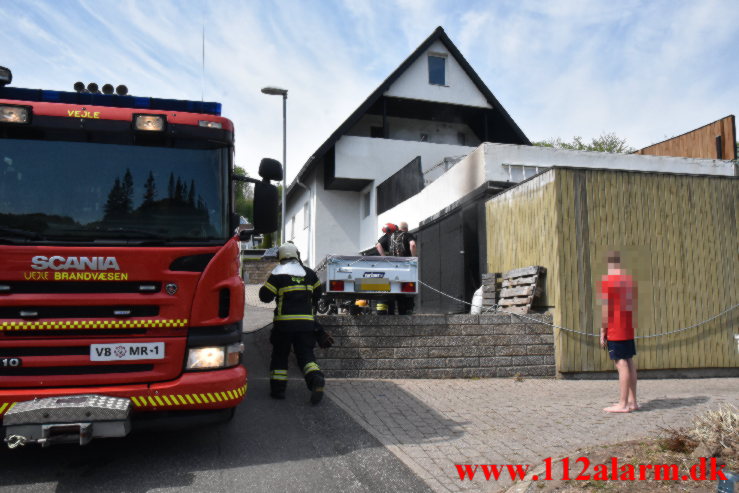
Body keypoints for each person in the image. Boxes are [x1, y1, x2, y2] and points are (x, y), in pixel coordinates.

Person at [259, 242, 325, 404]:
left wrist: (268, 283)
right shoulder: (309, 274)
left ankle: (278, 391)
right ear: (297, 255)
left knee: (280, 356)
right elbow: (318, 293)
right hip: (306, 325)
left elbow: (264, 297)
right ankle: (316, 379)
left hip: (284, 326)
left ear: (280, 257)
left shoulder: (278, 274)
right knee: (306, 356)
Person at [599, 251, 638, 413]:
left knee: (620, 364)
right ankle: (633, 402)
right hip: (628, 328)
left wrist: (602, 332)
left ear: (609, 265)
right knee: (629, 362)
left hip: (616, 329)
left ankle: (622, 404)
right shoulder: (628, 281)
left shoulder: (608, 281)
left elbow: (605, 309)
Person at [388, 221, 418, 315]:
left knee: (397, 289)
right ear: (406, 228)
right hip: (405, 266)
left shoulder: (391, 237)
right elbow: (412, 245)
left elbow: (378, 244)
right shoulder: (408, 235)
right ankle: (407, 310)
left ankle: (397, 311)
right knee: (407, 288)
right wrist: (413, 258)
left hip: (393, 266)